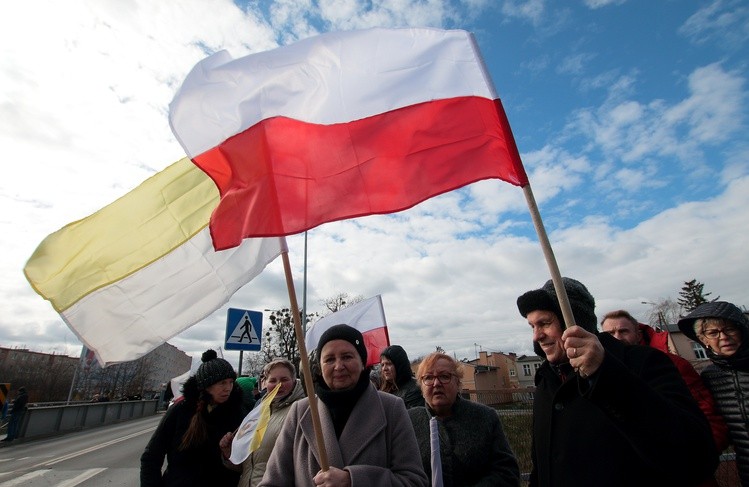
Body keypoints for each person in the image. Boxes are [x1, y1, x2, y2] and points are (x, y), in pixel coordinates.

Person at [517, 277, 718, 487]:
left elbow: (695, 455)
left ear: (574, 322)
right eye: (532, 326)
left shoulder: (644, 363)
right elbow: (541, 466)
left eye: (545, 323)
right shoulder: (545, 382)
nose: (537, 336)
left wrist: (605, 373)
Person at [258, 324, 428, 487]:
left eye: (347, 357)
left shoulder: (392, 408)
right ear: (319, 368)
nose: (339, 366)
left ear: (362, 363)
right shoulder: (300, 411)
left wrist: (352, 480)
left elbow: (414, 480)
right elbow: (272, 482)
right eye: (329, 359)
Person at [601, 309, 728, 452]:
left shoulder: (672, 364)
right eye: (610, 334)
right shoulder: (600, 372)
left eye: (623, 331)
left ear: (638, 334)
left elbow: (706, 414)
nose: (617, 337)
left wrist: (701, 456)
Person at [408, 352, 520, 486]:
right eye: (428, 378)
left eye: (444, 376)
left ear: (458, 382)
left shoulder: (485, 417)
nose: (436, 383)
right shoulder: (409, 421)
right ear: (421, 385)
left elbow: (507, 472)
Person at [140, 349, 246, 486]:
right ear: (206, 386)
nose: (228, 388)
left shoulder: (237, 412)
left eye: (231, 382)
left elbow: (246, 460)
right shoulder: (181, 410)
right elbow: (151, 456)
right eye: (222, 383)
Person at [678, 301, 749, 486]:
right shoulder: (709, 376)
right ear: (704, 340)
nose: (724, 337)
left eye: (730, 329)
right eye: (713, 333)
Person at [220, 358, 306, 486]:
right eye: (273, 380)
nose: (278, 385)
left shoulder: (301, 410)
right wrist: (230, 453)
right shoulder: (258, 410)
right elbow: (251, 466)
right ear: (265, 383)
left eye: (284, 380)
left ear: (294, 381)